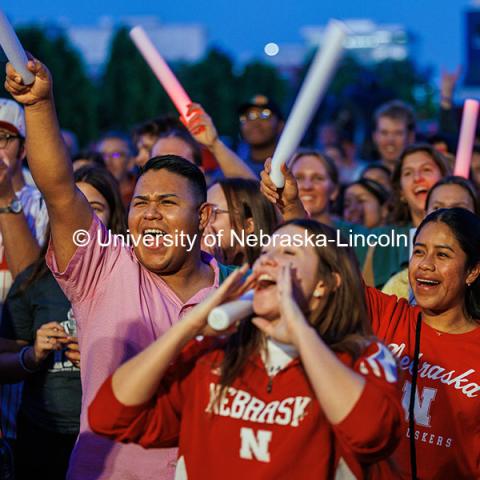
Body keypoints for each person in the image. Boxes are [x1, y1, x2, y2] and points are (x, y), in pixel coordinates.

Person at [5, 57, 233, 479]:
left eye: (167, 204)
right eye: (141, 203)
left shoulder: (236, 294)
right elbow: (58, 191)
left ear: (202, 218)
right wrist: (39, 106)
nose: (150, 215)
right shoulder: (104, 268)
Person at [89, 220, 403, 479]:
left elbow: (371, 434)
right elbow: (108, 416)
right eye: (265, 251)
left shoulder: (363, 356)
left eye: (288, 253)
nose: (267, 259)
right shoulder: (215, 354)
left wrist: (300, 331)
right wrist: (189, 327)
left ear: (325, 284)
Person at [0, 165, 127, 480]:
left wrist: (99, 362)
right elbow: (4, 360)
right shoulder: (32, 282)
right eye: (68, 208)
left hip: (109, 435)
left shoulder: (131, 280)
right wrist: (33, 354)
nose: (76, 219)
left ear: (113, 217)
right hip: (42, 435)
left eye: (94, 208)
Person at [366, 207, 480, 479]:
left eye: (442, 254)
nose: (426, 264)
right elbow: (327, 267)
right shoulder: (388, 316)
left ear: (472, 271)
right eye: (419, 251)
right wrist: (291, 207)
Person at [382, 176, 479, 300]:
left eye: (443, 254)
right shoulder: (397, 288)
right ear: (424, 216)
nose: (446, 217)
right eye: (437, 208)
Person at [203, 178, 277, 266]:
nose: (201, 220)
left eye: (211, 213)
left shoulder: (266, 273)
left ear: (248, 226)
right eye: (201, 212)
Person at [237, 95, 284, 177]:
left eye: (265, 115)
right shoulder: (229, 172)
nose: (255, 122)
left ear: (280, 125)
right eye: (249, 116)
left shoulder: (296, 166)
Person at [372, 100, 416, 172]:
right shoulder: (365, 177)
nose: (390, 140)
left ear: (411, 137)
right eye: (384, 133)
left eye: (398, 133)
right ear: (375, 136)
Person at [96, 132, 136, 207]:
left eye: (116, 155)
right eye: (103, 155)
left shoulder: (141, 193)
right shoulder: (88, 195)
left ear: (131, 162)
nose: (107, 161)